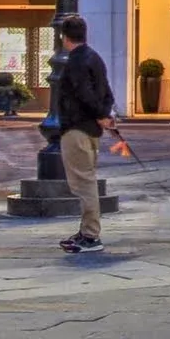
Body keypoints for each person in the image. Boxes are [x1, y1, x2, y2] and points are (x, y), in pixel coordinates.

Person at [53, 14, 117, 255]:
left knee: (83, 183)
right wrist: (105, 114)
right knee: (86, 179)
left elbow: (83, 93)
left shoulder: (76, 62)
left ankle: (90, 235)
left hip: (77, 128)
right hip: (91, 129)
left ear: (64, 36)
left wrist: (100, 114)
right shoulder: (95, 58)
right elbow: (106, 91)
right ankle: (86, 231)